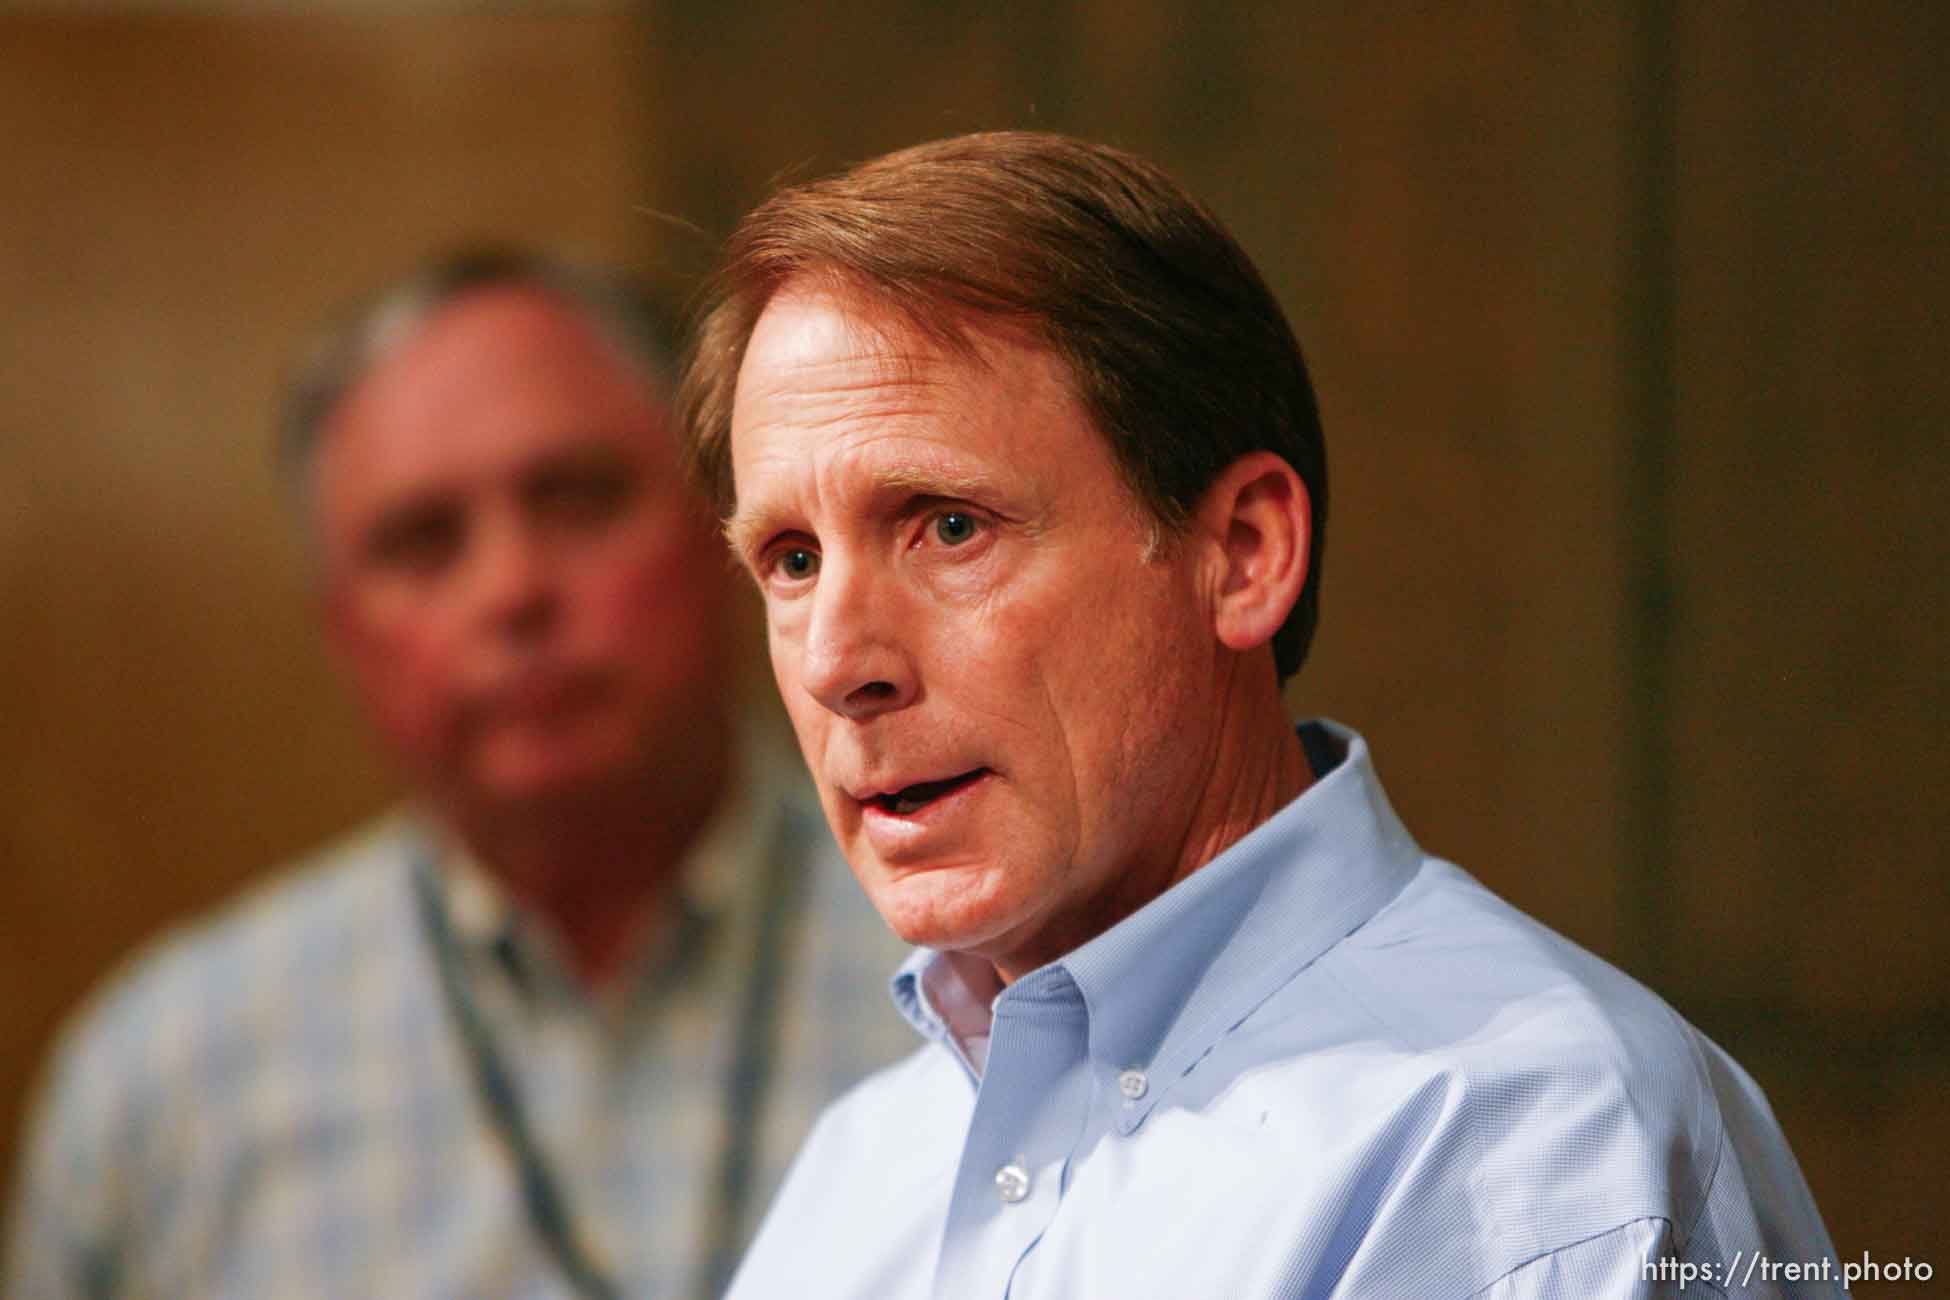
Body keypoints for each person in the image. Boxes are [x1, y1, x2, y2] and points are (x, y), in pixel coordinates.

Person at [678, 132, 1841, 1298]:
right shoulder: (858, 1170)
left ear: (1241, 554)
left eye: (948, 526)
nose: (836, 659)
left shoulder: (1540, 1146)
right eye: (788, 558)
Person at [4, 248, 913, 1299]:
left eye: (578, 500)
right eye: (423, 542)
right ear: (345, 634)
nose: (514, 590)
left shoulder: (984, 963)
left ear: (733, 539)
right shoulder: (166, 1082)